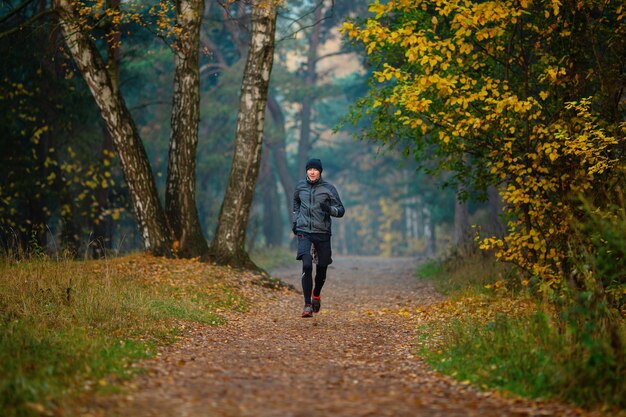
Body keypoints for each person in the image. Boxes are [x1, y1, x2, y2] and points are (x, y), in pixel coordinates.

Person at [292, 158, 345, 318]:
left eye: (315, 169)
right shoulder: (300, 186)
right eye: (310, 169)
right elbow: (296, 204)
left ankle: (316, 295)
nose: (312, 172)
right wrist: (295, 221)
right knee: (307, 265)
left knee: (321, 268)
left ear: (320, 171)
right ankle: (307, 304)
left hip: (322, 232)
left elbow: (341, 210)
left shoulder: (329, 188)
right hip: (304, 231)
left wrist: (329, 209)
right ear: (306, 171)